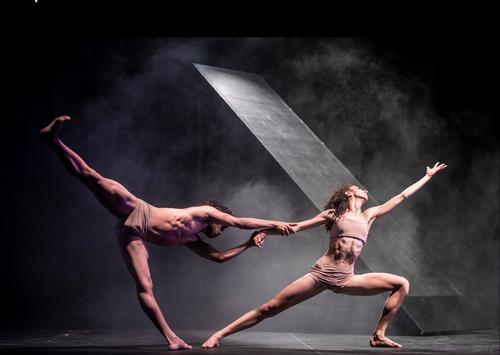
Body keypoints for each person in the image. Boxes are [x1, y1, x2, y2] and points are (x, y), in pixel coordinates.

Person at [39, 116, 297, 350]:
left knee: (145, 286)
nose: (221, 232)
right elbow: (239, 221)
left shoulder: (192, 240)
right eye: (223, 227)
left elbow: (219, 258)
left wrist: (249, 245)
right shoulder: (206, 212)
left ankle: (171, 338)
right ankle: (53, 140)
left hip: (133, 234)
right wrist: (275, 223)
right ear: (217, 218)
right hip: (138, 210)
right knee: (91, 178)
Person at [202, 162, 447, 348]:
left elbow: (402, 196)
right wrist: (265, 231)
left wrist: (426, 177)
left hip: (346, 279)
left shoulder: (369, 215)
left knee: (401, 283)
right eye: (358, 188)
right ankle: (219, 334)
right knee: (270, 307)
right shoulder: (332, 215)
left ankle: (378, 335)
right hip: (320, 274)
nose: (365, 190)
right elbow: (295, 227)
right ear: (348, 194)